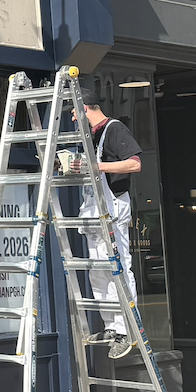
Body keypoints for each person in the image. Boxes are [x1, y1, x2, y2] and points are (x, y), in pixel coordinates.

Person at [79, 90, 143, 359]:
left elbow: (134, 164)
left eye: (73, 111)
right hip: (95, 209)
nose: (72, 116)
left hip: (113, 207)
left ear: (84, 108)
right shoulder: (91, 135)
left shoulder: (114, 129)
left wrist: (96, 166)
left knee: (118, 267)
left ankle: (129, 329)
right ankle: (112, 327)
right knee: (98, 270)